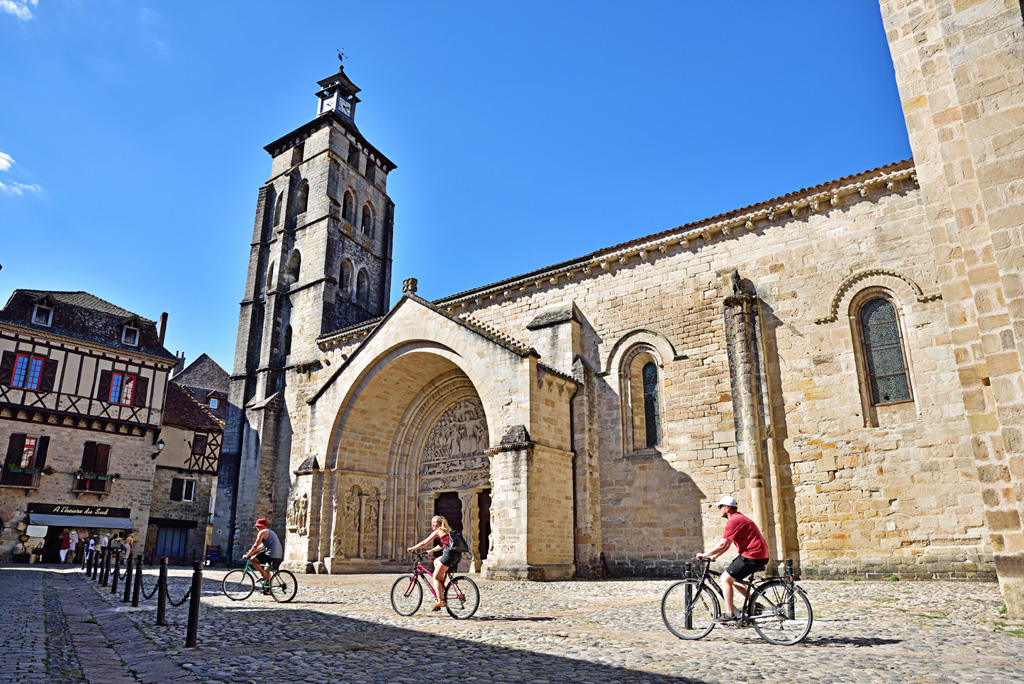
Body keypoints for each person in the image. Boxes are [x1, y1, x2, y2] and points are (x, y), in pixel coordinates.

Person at [696, 495, 770, 623]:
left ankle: (730, 614)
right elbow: (727, 545)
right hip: (758, 555)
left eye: (720, 507)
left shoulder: (734, 521)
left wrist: (705, 555)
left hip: (752, 555)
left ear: (727, 508)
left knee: (725, 578)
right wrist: (714, 556)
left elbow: (722, 545)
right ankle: (754, 604)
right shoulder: (738, 518)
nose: (719, 509)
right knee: (733, 579)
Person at [407, 515, 462, 611]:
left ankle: (440, 601)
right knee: (436, 561)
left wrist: (413, 548)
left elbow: (424, 542)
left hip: (449, 555)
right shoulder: (446, 532)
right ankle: (442, 586)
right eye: (432, 522)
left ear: (440, 524)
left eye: (435, 522)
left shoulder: (438, 531)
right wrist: (431, 551)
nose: (432, 524)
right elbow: (441, 546)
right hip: (456, 555)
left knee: (435, 577)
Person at [242, 518, 283, 592]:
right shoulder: (270, 532)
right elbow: (261, 546)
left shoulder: (262, 532)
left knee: (253, 559)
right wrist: (252, 551)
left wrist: (248, 555)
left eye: (258, 526)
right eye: (256, 526)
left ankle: (263, 575)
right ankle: (268, 590)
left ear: (263, 526)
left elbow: (255, 545)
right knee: (266, 569)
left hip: (271, 553)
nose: (257, 528)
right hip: (278, 554)